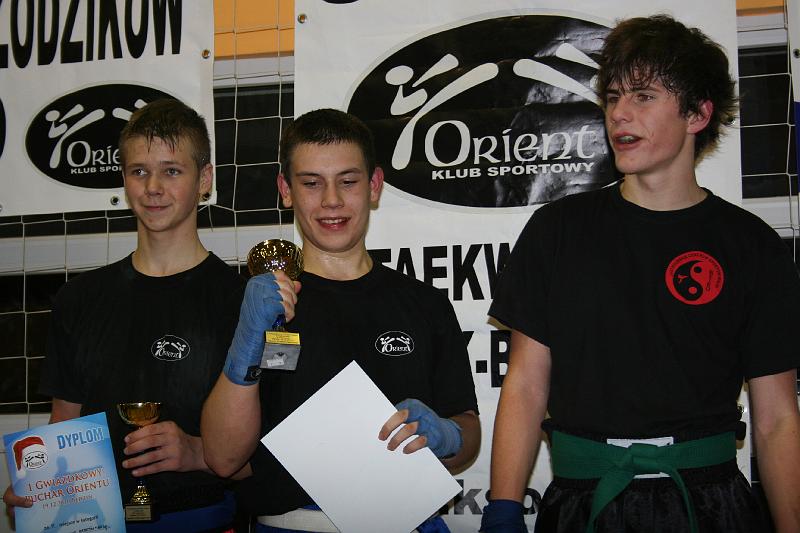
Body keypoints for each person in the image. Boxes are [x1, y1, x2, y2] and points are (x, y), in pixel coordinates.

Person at [480, 14, 800, 533]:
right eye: (612, 97)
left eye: (643, 96)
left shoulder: (752, 245)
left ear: (698, 113)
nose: (619, 114)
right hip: (583, 502)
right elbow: (525, 385)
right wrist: (503, 507)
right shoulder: (557, 231)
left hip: (709, 505)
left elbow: (778, 417)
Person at [201, 108, 480, 532]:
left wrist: (447, 435)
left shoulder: (426, 304)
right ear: (286, 190)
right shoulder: (254, 305)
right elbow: (223, 459)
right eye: (311, 183)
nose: (331, 200)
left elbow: (468, 435)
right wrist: (247, 348)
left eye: (348, 181)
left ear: (374, 185)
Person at [3, 99, 246, 532]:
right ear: (124, 178)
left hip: (203, 518)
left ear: (204, 179)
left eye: (172, 171)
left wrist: (198, 453)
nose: (153, 187)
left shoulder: (240, 301)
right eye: (139, 171)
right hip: (96, 522)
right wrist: (38, 490)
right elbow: (64, 427)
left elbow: (276, 455)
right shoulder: (78, 299)